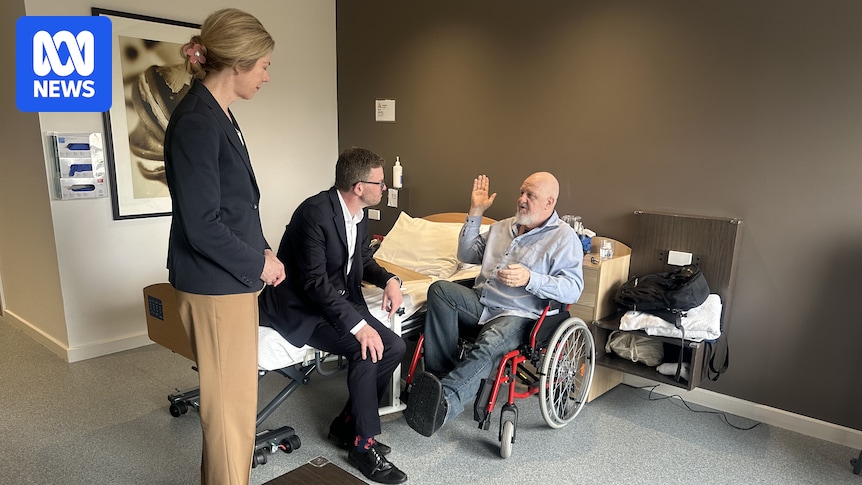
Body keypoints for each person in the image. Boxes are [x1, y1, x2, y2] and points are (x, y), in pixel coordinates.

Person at [163, 9, 283, 485]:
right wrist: (259, 264)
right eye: (264, 66)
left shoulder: (220, 114)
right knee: (229, 413)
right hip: (214, 286)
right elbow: (202, 225)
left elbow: (238, 207)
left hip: (230, 280)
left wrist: (265, 251)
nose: (267, 77)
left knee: (236, 406)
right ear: (238, 63)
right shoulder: (197, 121)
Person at [259, 147, 408, 484]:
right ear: (359, 187)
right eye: (380, 183)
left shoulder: (359, 214)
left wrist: (390, 281)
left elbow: (361, 260)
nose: (384, 188)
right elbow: (314, 283)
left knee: (395, 347)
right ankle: (363, 445)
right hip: (302, 308)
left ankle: (345, 425)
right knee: (365, 348)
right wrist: (357, 326)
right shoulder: (313, 214)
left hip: (335, 303)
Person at [404, 172, 584, 437]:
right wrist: (476, 211)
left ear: (549, 202)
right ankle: (439, 379)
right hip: (483, 301)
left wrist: (530, 278)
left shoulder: (563, 238)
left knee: (489, 343)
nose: (521, 199)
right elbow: (466, 255)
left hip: (520, 313)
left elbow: (573, 289)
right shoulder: (502, 227)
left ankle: (444, 402)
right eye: (521, 192)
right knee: (440, 290)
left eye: (530, 195)